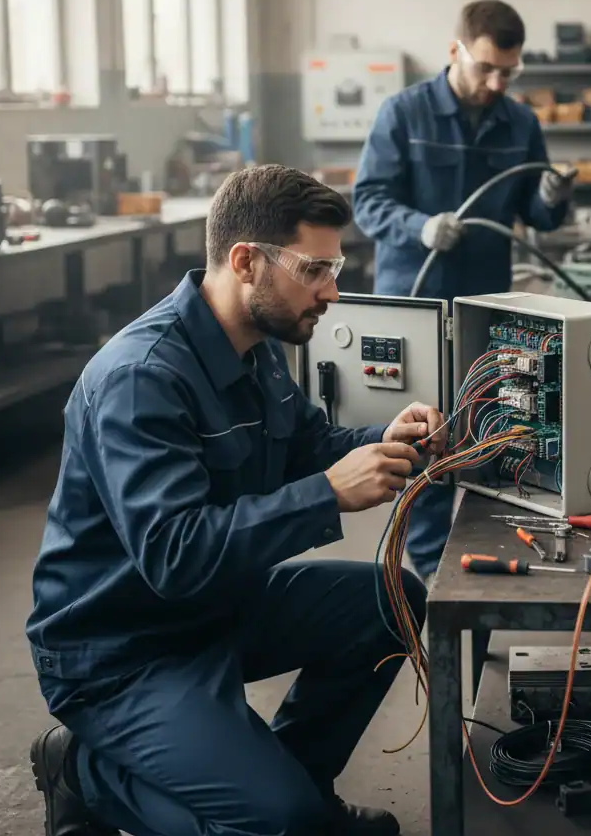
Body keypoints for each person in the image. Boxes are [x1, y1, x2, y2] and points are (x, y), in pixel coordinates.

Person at [25, 164, 447, 836]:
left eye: (334, 267)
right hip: (120, 650)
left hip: (214, 609)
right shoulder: (143, 377)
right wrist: (329, 496)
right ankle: (82, 769)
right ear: (246, 262)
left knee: (392, 599)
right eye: (315, 269)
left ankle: (301, 781)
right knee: (280, 826)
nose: (332, 292)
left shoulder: (252, 345)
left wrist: (384, 439)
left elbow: (307, 444)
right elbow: (173, 555)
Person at [352, 0, 574, 582]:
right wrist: (418, 227)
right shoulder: (403, 114)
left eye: (510, 72)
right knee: (423, 441)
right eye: (486, 69)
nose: (497, 83)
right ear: (455, 52)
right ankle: (427, 576)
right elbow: (368, 202)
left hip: (486, 311)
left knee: (496, 434)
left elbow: (536, 215)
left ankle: (496, 562)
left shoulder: (520, 123)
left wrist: (551, 197)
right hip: (417, 304)